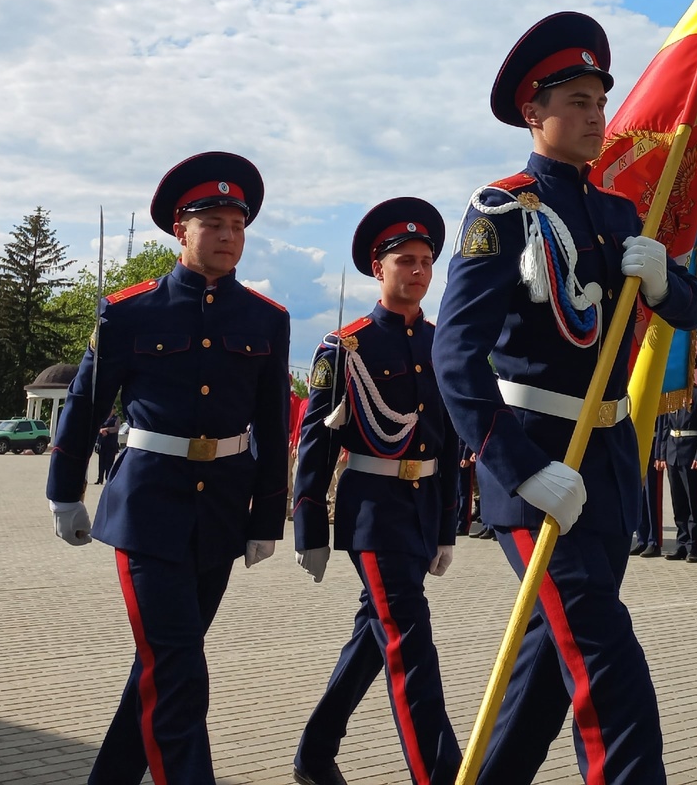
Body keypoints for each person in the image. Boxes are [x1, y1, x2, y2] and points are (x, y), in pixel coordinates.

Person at [430, 11, 697, 785]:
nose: (595, 116)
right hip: (537, 464)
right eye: (577, 102)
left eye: (599, 101)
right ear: (534, 114)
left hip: (609, 460)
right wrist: (517, 469)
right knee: (605, 660)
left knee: (551, 660)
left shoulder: (621, 213)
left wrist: (663, 279)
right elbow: (455, 355)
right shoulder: (503, 210)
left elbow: (690, 309)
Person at [46, 152, 290, 785]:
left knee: (163, 665)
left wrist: (267, 516)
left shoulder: (267, 319)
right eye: (213, 223)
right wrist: (64, 493)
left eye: (238, 225)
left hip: (219, 516)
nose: (229, 236)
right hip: (147, 511)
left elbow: (271, 424)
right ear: (180, 230)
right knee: (179, 671)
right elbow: (84, 402)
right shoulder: (129, 311)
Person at [292, 198, 460, 785]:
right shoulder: (346, 347)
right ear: (377, 268)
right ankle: (442, 774)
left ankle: (315, 756)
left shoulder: (442, 344)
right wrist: (309, 525)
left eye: (426, 261)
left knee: (376, 633)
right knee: (410, 644)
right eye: (405, 261)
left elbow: (447, 445)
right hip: (371, 511)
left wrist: (446, 528)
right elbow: (315, 439)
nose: (417, 272)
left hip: (420, 511)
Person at [662, 360, 697, 562]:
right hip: (673, 451)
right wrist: (662, 454)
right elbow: (665, 427)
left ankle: (694, 546)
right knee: (678, 501)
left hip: (690, 453)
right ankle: (681, 543)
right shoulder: (672, 396)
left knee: (692, 502)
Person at [632, 413, 667, 558]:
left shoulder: (660, 398)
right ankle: (642, 539)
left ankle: (654, 541)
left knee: (652, 496)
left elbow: (662, 428)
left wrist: (660, 454)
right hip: (637, 445)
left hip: (653, 446)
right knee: (639, 496)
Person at [95, 411, 119, 484]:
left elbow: (116, 428)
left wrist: (107, 429)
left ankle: (108, 478)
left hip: (111, 444)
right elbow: (97, 426)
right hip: (102, 443)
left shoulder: (116, 418)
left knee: (109, 462)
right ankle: (100, 479)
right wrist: (101, 431)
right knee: (101, 462)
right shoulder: (103, 417)